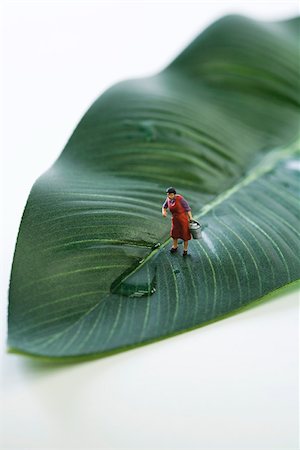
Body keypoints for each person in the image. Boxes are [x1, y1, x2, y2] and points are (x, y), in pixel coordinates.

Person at [161, 187, 193, 257]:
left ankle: (185, 249)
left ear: (174, 194)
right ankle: (175, 246)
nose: (169, 196)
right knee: (174, 233)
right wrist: (164, 212)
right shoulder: (168, 199)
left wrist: (190, 217)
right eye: (168, 195)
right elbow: (164, 206)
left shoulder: (180, 199)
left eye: (171, 195)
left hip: (183, 219)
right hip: (175, 220)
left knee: (185, 234)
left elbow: (187, 208)